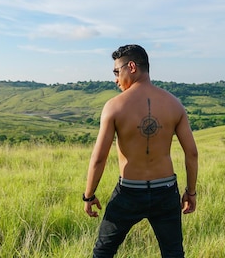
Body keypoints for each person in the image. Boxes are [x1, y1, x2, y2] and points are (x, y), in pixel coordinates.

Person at [83, 44, 199, 258]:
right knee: (173, 253)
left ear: (132, 67)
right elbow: (191, 153)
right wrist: (190, 192)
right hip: (165, 191)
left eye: (117, 72)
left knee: (103, 252)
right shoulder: (174, 104)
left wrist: (88, 196)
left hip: (129, 192)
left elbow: (99, 158)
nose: (116, 79)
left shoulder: (114, 106)